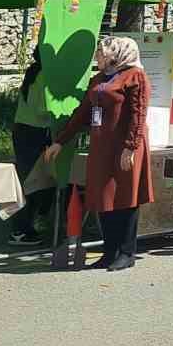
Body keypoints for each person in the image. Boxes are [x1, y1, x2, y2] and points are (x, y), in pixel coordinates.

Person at [45, 36, 154, 272]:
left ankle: (126, 252)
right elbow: (82, 112)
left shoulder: (135, 76)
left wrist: (131, 146)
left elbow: (138, 114)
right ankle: (110, 251)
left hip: (124, 147)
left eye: (101, 53)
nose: (97, 56)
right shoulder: (99, 79)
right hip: (102, 148)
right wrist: (60, 141)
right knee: (104, 198)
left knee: (125, 199)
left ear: (116, 54)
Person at [8, 49, 54, 245]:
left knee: (30, 180)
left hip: (26, 130)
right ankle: (20, 229)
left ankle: (26, 225)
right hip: (33, 132)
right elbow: (42, 109)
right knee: (31, 182)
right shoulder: (44, 75)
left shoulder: (35, 71)